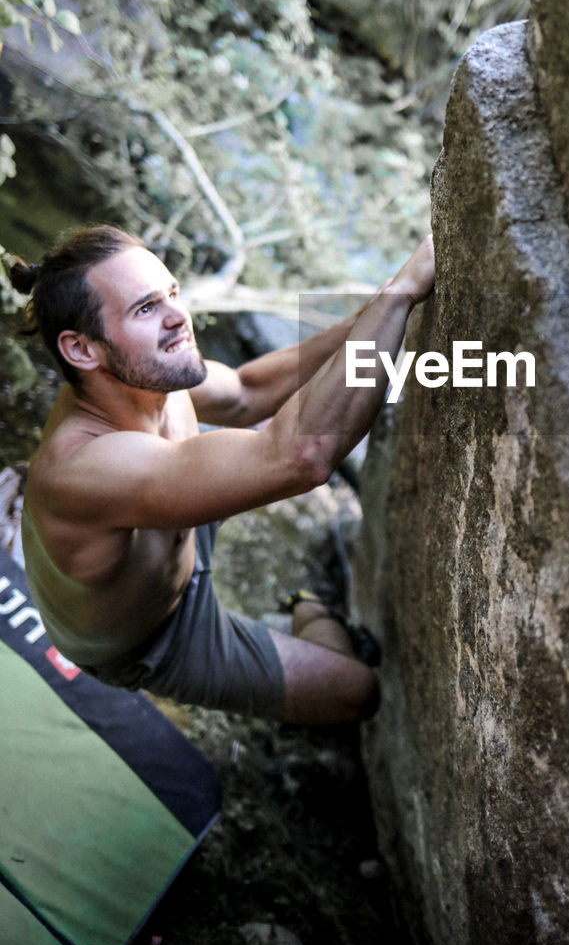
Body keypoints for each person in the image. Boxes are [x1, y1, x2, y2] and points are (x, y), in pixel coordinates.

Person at [9, 224, 435, 724]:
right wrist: (401, 293)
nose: (179, 318)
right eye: (146, 308)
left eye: (173, 293)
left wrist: (375, 319)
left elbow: (247, 391)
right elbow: (303, 457)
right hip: (159, 633)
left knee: (263, 429)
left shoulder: (143, 371)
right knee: (358, 690)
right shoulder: (85, 466)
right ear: (83, 349)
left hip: (176, 520)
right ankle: (304, 607)